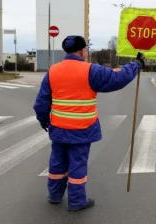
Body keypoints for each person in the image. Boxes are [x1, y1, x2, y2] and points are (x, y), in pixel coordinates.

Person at [33, 35, 145, 211]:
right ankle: (77, 202)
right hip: (81, 129)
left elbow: (41, 101)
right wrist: (136, 65)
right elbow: (118, 79)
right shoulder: (91, 70)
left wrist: (43, 119)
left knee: (57, 163)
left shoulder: (53, 71)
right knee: (77, 164)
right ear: (83, 51)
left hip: (59, 127)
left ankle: (54, 196)